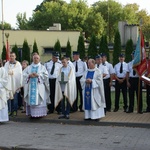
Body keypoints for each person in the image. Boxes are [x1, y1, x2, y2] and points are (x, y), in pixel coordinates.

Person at [4, 52, 22, 116]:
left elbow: (19, 73)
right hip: (8, 84)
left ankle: (14, 110)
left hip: (15, 83)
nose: (11, 57)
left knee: (15, 98)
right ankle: (9, 110)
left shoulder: (18, 64)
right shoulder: (6, 64)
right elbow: (4, 72)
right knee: (8, 98)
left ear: (15, 57)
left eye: (13, 56)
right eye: (10, 56)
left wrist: (12, 72)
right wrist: (8, 73)